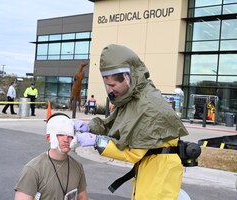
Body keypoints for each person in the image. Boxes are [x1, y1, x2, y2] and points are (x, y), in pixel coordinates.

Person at [72, 44, 190, 200]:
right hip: (150, 168)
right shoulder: (133, 98)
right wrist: (89, 127)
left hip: (159, 173)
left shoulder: (147, 105)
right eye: (108, 85)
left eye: (113, 85)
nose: (111, 90)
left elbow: (132, 153)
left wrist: (97, 141)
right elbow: (115, 125)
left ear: (127, 77)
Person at [14, 113, 88, 200]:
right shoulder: (32, 169)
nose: (66, 139)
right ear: (49, 137)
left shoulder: (77, 167)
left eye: (70, 135)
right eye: (60, 134)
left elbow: (82, 197)